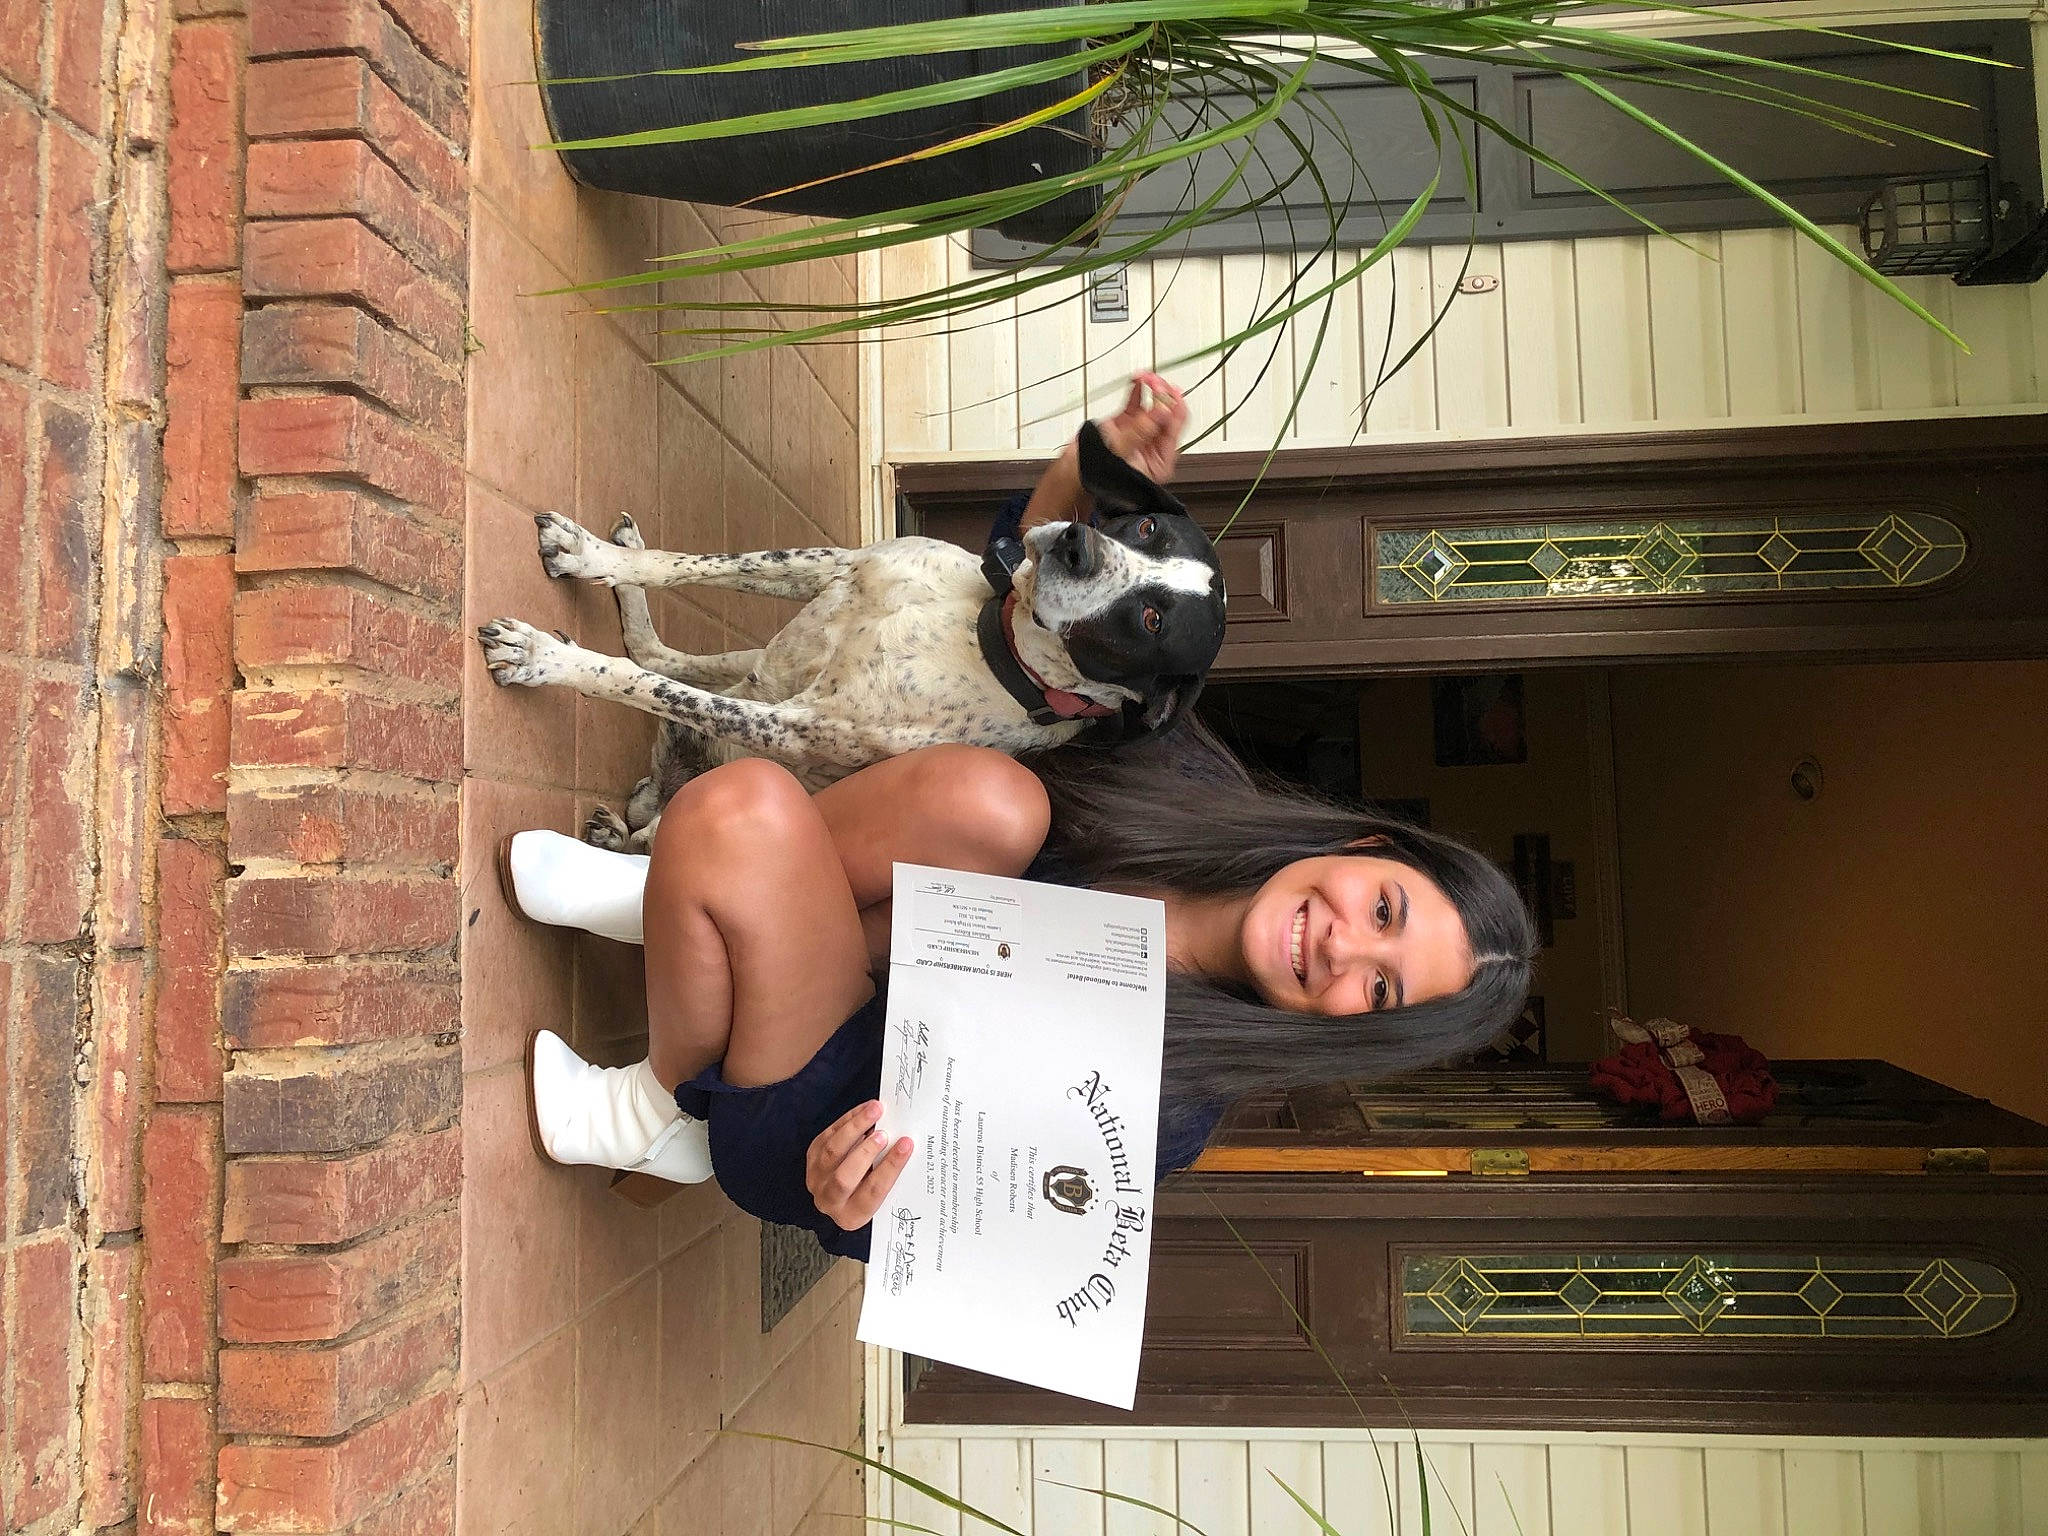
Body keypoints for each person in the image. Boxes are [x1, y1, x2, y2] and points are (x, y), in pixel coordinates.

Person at [507, 375, 1538, 1260]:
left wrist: (849, 1201)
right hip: (850, 944)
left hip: (819, 1089)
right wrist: (1089, 465)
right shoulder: (1182, 782)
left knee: (739, 812)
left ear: (1356, 1034)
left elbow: (945, 1226)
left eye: (1380, 989)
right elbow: (1019, 611)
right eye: (1386, 911)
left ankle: (658, 1110)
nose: (1343, 947)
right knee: (991, 801)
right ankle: (679, 904)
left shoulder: (1173, 1108)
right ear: (1367, 847)